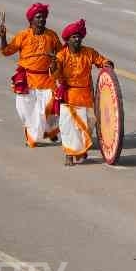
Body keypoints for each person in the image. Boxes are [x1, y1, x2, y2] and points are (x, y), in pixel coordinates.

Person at [48, 20, 112, 166]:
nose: (77, 39)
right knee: (68, 127)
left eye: (79, 36)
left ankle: (80, 150)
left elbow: (100, 60)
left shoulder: (89, 52)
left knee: (88, 125)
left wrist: (107, 63)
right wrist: (53, 65)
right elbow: (54, 75)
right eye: (74, 37)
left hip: (86, 96)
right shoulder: (61, 55)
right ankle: (69, 154)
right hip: (69, 95)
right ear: (68, 39)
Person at [0, 3, 62, 147]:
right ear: (31, 20)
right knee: (26, 111)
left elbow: (61, 54)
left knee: (48, 109)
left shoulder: (51, 36)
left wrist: (55, 59)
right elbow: (6, 51)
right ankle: (31, 135)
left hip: (46, 79)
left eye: (44, 17)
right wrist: (3, 38)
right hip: (27, 79)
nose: (42, 20)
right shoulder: (23, 36)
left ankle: (50, 131)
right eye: (39, 17)